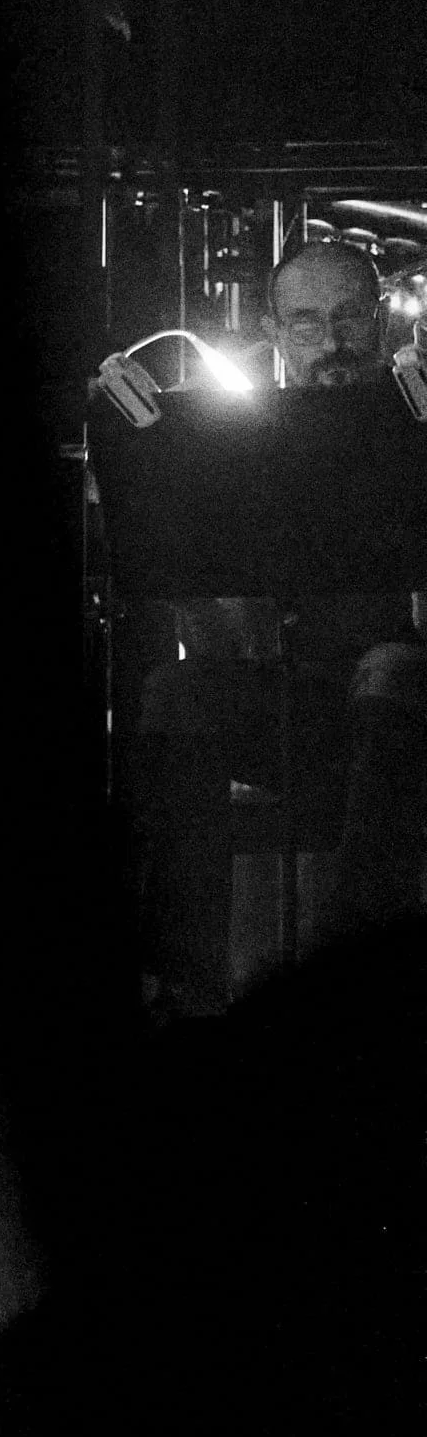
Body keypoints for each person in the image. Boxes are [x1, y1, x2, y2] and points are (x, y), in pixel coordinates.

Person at [129, 237, 427, 1011]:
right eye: (306, 322)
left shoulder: (416, 423)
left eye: (349, 317)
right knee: (175, 692)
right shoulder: (244, 446)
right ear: (273, 330)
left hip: (408, 706)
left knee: (391, 669)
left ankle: (354, 984)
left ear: (381, 318)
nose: (332, 341)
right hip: (308, 702)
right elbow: (220, 633)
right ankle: (186, 982)